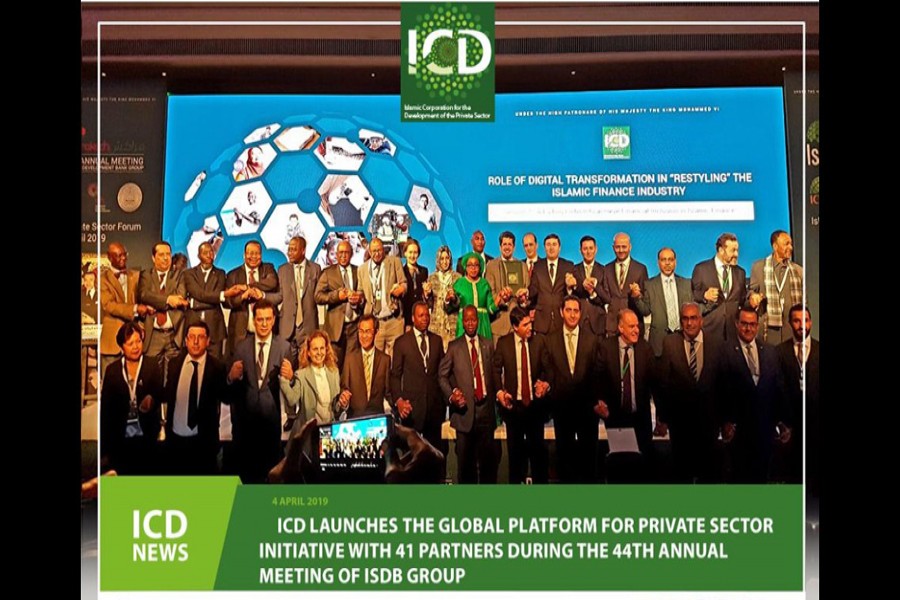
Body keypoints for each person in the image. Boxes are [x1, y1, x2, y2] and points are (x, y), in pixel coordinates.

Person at [716, 307, 791, 483]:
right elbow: (719, 389)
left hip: (765, 432)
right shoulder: (724, 351)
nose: (748, 328)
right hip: (738, 434)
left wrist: (783, 422)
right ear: (737, 324)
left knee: (762, 482)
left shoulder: (770, 351)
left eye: (752, 324)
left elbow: (778, 388)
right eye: (744, 324)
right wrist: (724, 422)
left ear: (757, 326)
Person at [224, 299, 292, 483]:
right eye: (260, 319)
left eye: (268, 319)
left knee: (269, 480)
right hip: (245, 427)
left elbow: (292, 392)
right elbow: (230, 391)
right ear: (254, 320)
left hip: (271, 425)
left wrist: (291, 378)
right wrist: (230, 377)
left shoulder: (284, 347)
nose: (264, 324)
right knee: (247, 479)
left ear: (274, 320)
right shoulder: (241, 347)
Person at [655, 302, 721, 482]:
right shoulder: (670, 343)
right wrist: (662, 418)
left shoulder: (716, 343)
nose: (689, 323)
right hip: (680, 425)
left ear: (701, 320)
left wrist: (726, 420)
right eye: (685, 319)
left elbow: (722, 384)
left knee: (708, 477)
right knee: (682, 476)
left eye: (693, 318)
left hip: (709, 424)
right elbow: (663, 383)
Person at [541, 295, 603, 483]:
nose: (572, 314)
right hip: (562, 410)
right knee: (564, 462)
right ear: (561, 312)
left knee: (588, 463)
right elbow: (548, 372)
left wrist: (596, 401)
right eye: (568, 310)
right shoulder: (549, 340)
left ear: (581, 313)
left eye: (576, 311)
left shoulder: (592, 340)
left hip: (587, 411)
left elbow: (597, 373)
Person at [439, 305, 499, 484]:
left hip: (485, 412)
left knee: (488, 467)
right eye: (467, 320)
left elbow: (494, 374)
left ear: (478, 321)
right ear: (462, 322)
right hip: (464, 414)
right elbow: (442, 376)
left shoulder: (488, 344)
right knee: (466, 469)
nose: (470, 323)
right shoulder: (454, 347)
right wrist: (452, 395)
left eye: (473, 320)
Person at [597, 309, 658, 482]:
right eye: (631, 326)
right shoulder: (606, 347)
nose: (636, 330)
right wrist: (598, 401)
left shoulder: (645, 348)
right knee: (619, 469)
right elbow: (597, 378)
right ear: (620, 328)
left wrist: (662, 417)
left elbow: (655, 384)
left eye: (637, 326)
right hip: (615, 419)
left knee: (641, 472)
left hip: (640, 420)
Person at [493, 307, 551, 484]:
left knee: (538, 458)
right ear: (515, 326)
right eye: (525, 325)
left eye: (530, 323)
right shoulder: (504, 343)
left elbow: (549, 370)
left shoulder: (539, 341)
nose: (530, 328)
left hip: (535, 408)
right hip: (514, 409)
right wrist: (500, 392)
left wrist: (545, 384)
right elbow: (495, 370)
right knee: (515, 459)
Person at [163, 322, 227, 475]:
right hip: (175, 442)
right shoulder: (174, 364)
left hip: (203, 445)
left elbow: (226, 396)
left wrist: (231, 379)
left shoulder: (217, 367)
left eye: (200, 337)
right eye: (192, 337)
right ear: (186, 340)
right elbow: (168, 394)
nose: (196, 342)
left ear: (208, 340)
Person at [100, 322, 163, 475]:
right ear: (122, 347)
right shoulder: (112, 370)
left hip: (146, 437)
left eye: (138, 341)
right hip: (120, 439)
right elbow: (106, 412)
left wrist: (152, 399)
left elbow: (159, 393)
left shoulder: (152, 365)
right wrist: (104, 450)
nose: (135, 347)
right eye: (130, 343)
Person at [390, 301, 447, 453]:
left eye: (427, 315)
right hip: (412, 411)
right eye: (421, 315)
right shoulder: (401, 343)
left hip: (434, 411)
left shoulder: (437, 341)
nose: (425, 319)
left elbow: (443, 373)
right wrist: (399, 401)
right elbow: (395, 376)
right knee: (411, 458)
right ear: (413, 318)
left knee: (435, 456)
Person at [776, 304, 818, 489]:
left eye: (805, 320)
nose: (802, 325)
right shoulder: (779, 352)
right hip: (790, 431)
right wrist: (781, 424)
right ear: (789, 323)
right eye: (796, 321)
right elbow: (776, 391)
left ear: (811, 322)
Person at [100, 242, 153, 373]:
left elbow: (144, 298)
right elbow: (109, 305)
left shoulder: (136, 276)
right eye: (119, 255)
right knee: (110, 380)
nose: (123, 258)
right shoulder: (102, 279)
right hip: (112, 342)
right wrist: (134, 308)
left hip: (133, 339)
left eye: (125, 254)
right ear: (109, 257)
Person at [223, 240, 282, 358]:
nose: (254, 256)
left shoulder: (268, 268)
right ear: (244, 255)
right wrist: (243, 296)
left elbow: (272, 283)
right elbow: (227, 302)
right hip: (241, 333)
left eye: (257, 253)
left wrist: (247, 287)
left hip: (267, 331)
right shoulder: (233, 275)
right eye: (250, 253)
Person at [137, 241, 189, 372]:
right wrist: (168, 299)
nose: (166, 258)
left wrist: (155, 302)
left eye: (168, 254)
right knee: (151, 375)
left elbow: (180, 298)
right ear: (153, 258)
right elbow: (144, 295)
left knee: (173, 377)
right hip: (153, 335)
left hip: (174, 335)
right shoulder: (146, 275)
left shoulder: (180, 275)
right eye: (161, 255)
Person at [183, 241, 239, 360]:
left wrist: (194, 303)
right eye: (205, 252)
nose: (209, 255)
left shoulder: (220, 274)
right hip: (193, 325)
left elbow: (209, 297)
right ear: (198, 255)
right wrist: (223, 295)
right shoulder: (189, 273)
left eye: (211, 252)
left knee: (214, 365)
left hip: (215, 329)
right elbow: (198, 293)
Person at [634, 247, 693, 357]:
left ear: (675, 262)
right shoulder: (650, 285)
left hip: (682, 338)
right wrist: (636, 298)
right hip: (659, 342)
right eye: (663, 260)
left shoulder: (686, 284)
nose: (667, 263)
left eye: (670, 260)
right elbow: (645, 311)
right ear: (658, 263)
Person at [314, 240, 364, 370]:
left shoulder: (358, 271)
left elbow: (364, 294)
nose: (343, 255)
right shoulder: (328, 272)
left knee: (352, 367)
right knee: (334, 367)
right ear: (336, 254)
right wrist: (336, 296)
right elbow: (318, 296)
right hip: (335, 329)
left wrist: (359, 299)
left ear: (351, 254)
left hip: (354, 327)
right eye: (340, 252)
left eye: (346, 252)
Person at [749, 230, 804, 344]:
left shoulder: (798, 271)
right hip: (768, 331)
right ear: (775, 246)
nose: (790, 247)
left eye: (791, 244)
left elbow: (804, 302)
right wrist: (753, 297)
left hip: (791, 331)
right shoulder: (759, 267)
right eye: (786, 244)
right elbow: (751, 292)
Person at [692, 232, 748, 343]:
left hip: (733, 334)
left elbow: (743, 300)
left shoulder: (740, 272)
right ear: (721, 250)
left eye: (737, 250)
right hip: (709, 332)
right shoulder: (701, 269)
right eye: (733, 250)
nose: (736, 254)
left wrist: (752, 300)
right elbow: (692, 295)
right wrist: (704, 295)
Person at [279, 330, 342, 425]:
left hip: (329, 428)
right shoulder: (301, 375)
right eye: (315, 349)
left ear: (326, 349)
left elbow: (336, 408)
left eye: (322, 348)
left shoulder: (334, 373)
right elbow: (292, 400)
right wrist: (284, 379)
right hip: (309, 429)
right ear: (308, 352)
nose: (319, 352)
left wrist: (343, 403)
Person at [336, 314, 391, 419]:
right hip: (355, 419)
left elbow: (388, 393)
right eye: (361, 331)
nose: (364, 336)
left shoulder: (385, 360)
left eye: (368, 331)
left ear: (376, 332)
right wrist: (344, 400)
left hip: (376, 419)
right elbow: (344, 388)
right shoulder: (350, 359)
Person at [358, 237, 407, 355]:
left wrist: (401, 289)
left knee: (396, 358)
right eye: (374, 251)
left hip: (394, 321)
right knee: (376, 360)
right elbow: (360, 291)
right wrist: (357, 297)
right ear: (369, 252)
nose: (377, 254)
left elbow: (404, 283)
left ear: (383, 250)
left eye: (379, 250)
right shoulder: (362, 269)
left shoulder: (395, 262)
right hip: (374, 323)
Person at [277, 236, 322, 362]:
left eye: (294, 249)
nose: (289, 253)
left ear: (303, 250)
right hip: (287, 329)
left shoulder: (315, 269)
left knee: (307, 366)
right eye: (289, 249)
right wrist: (262, 296)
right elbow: (278, 296)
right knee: (287, 366)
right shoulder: (282, 270)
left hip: (308, 327)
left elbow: (320, 295)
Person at [521, 234, 575, 336]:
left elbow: (573, 292)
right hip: (542, 321)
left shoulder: (568, 266)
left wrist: (570, 287)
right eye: (548, 244)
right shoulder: (538, 266)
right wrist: (526, 293)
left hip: (561, 318)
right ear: (544, 247)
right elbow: (534, 288)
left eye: (554, 244)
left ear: (559, 247)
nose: (551, 248)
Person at [599, 232, 648, 338]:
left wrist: (637, 295)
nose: (621, 250)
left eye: (624, 247)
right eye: (617, 247)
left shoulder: (640, 269)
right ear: (613, 248)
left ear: (630, 247)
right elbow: (606, 296)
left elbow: (646, 300)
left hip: (633, 326)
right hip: (612, 326)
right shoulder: (607, 268)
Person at [485, 231, 529, 341]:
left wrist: (523, 300)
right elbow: (490, 294)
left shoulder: (522, 266)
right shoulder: (491, 265)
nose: (507, 247)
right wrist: (502, 299)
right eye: (504, 244)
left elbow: (528, 294)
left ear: (514, 247)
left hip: (519, 325)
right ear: (500, 247)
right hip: (499, 325)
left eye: (510, 244)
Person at [448, 252, 503, 340]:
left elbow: (490, 309)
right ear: (465, 267)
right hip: (464, 324)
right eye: (470, 265)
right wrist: (451, 299)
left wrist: (497, 301)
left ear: (480, 267)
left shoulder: (484, 284)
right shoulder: (459, 283)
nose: (473, 268)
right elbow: (451, 307)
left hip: (482, 324)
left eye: (476, 265)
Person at [424, 245, 462, 350]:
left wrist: (453, 298)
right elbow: (429, 304)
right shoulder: (432, 278)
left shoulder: (458, 278)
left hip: (452, 323)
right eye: (442, 259)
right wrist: (427, 295)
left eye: (447, 258)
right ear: (438, 260)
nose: (445, 262)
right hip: (436, 324)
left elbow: (460, 302)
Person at [570, 235, 608, 337]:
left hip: (598, 321)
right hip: (579, 319)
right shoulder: (574, 269)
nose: (588, 252)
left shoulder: (604, 270)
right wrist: (577, 285)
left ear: (596, 249)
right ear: (580, 251)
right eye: (585, 248)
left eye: (591, 248)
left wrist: (593, 292)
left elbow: (607, 298)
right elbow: (570, 295)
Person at [400, 238, 429, 329]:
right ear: (405, 253)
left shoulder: (424, 271)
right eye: (410, 252)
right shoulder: (401, 272)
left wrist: (427, 293)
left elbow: (426, 296)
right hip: (406, 318)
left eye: (415, 252)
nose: (412, 256)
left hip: (421, 318)